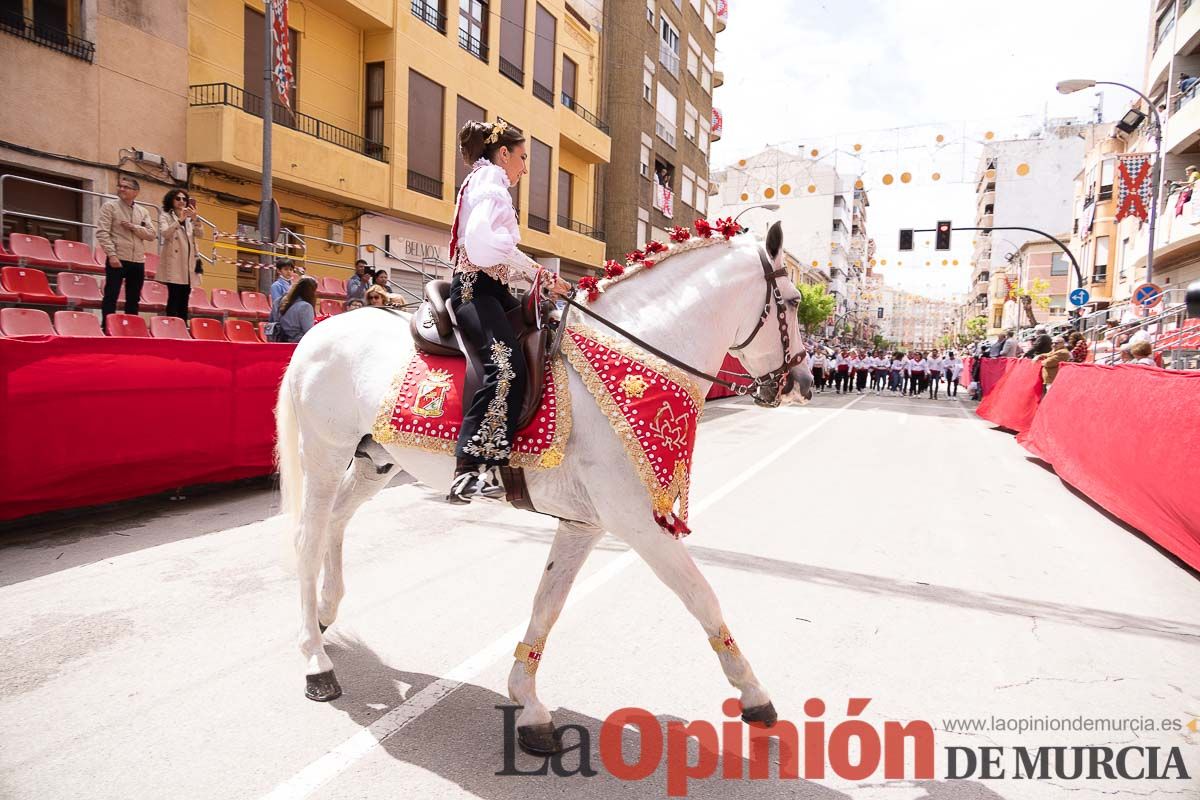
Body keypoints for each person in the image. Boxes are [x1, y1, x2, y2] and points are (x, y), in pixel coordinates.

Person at [446, 119, 570, 504]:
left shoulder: (491, 184)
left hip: (494, 290)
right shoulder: (489, 184)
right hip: (474, 290)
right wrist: (539, 273)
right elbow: (483, 247)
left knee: (544, 338)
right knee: (506, 366)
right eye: (522, 157)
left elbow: (502, 254)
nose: (525, 167)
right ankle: (469, 468)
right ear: (503, 154)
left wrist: (544, 276)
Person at [96, 176, 156, 326]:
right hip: (118, 258)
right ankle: (107, 327)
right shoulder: (109, 207)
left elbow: (151, 234)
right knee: (111, 295)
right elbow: (102, 233)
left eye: (126, 187)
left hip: (137, 261)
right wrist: (112, 255)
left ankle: (131, 327)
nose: (121, 189)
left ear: (136, 192)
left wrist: (134, 227)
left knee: (134, 297)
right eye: (120, 186)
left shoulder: (143, 211)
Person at [157, 188, 199, 320]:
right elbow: (165, 234)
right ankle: (172, 326)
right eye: (178, 198)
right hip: (174, 262)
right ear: (171, 200)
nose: (181, 201)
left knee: (184, 299)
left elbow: (201, 234)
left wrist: (195, 219)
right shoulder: (165, 216)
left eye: (184, 199)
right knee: (174, 297)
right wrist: (179, 220)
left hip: (187, 264)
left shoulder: (189, 219)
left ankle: (182, 326)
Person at [276, 276, 318, 343]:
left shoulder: (286, 302)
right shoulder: (305, 306)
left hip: (283, 340)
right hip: (298, 343)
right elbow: (309, 331)